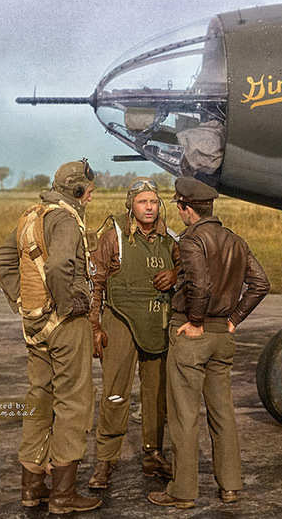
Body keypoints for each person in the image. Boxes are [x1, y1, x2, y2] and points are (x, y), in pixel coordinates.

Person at [148, 177, 270, 509]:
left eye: (179, 207)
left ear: (187, 208)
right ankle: (230, 486)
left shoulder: (192, 239)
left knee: (184, 415)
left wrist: (196, 322)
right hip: (222, 338)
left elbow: (199, 287)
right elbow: (260, 283)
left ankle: (183, 490)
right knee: (222, 413)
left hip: (194, 335)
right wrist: (234, 320)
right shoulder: (235, 240)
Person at [0, 159, 102, 514]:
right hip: (65, 325)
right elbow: (58, 267)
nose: (92, 194)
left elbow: (2, 261)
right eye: (89, 188)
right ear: (79, 190)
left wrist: (23, 302)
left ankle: (32, 488)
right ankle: (63, 495)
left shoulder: (31, 215)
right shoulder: (66, 218)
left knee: (38, 400)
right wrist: (67, 305)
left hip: (35, 325)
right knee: (73, 404)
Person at [87, 177, 179, 489]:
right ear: (131, 205)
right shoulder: (114, 237)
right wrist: (95, 327)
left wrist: (176, 274)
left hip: (157, 323)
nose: (149, 207)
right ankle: (105, 461)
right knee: (115, 393)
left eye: (153, 201)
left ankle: (153, 455)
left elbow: (190, 272)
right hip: (120, 321)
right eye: (143, 202)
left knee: (156, 395)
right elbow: (95, 283)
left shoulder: (169, 240)